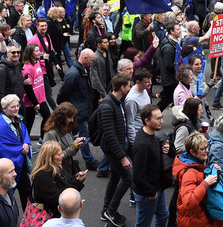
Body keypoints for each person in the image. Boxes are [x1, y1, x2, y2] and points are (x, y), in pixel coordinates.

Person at [97, 74, 134, 227]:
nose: (130, 88)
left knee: (114, 178)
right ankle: (111, 211)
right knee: (128, 178)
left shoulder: (117, 101)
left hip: (117, 148)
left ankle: (106, 211)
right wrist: (122, 157)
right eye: (128, 86)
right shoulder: (107, 106)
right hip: (113, 150)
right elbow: (110, 134)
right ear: (122, 88)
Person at [58, 48, 98, 170]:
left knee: (69, 134)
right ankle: (89, 160)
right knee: (83, 136)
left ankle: (65, 155)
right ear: (84, 58)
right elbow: (62, 94)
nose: (92, 62)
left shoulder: (82, 70)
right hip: (77, 112)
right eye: (91, 60)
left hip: (80, 110)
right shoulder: (74, 74)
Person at [131, 104, 170, 227]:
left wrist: (162, 147)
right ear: (147, 121)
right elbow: (137, 176)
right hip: (147, 193)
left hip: (157, 188)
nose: (162, 121)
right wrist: (151, 192)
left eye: (161, 117)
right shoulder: (143, 145)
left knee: (163, 216)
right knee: (143, 223)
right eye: (158, 119)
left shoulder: (150, 134)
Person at [0, 95, 33, 210]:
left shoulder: (18, 119)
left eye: (17, 105)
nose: (16, 109)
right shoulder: (1, 127)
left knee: (26, 190)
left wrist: (26, 143)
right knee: (7, 193)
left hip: (20, 164)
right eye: (12, 107)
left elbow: (24, 134)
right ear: (4, 109)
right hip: (9, 168)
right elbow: (0, 147)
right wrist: (20, 149)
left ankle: (27, 216)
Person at [173, 131, 220, 227]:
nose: (207, 150)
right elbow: (189, 202)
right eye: (203, 149)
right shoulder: (189, 173)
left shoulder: (200, 162)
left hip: (199, 217)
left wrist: (213, 171)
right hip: (193, 221)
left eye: (207, 147)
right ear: (192, 152)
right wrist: (206, 183)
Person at [31, 140, 87, 219]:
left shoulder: (57, 168)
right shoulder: (42, 176)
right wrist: (77, 182)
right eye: (59, 154)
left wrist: (77, 178)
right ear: (50, 157)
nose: (62, 155)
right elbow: (57, 198)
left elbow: (66, 184)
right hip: (50, 218)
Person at [42, 102, 86, 181]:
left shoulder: (67, 129)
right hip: (58, 173)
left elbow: (70, 149)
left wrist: (76, 145)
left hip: (68, 170)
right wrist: (73, 146)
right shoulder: (51, 134)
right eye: (70, 118)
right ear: (62, 118)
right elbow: (50, 158)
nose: (72, 120)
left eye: (73, 117)